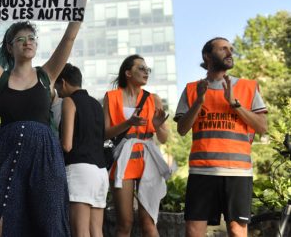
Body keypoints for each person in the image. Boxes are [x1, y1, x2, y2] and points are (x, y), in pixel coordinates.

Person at [0, 0, 94, 237]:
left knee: (46, 222)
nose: (27, 42)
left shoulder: (47, 75)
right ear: (9, 48)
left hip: (44, 155)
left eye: (31, 38)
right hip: (6, 153)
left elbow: (69, 37)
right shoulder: (0, 77)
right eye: (20, 39)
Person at [174, 37, 268, 237]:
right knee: (193, 231)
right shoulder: (192, 89)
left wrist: (235, 103)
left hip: (238, 172)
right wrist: (199, 101)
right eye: (223, 48)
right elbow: (182, 129)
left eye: (231, 49)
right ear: (207, 56)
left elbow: (262, 127)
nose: (229, 52)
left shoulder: (247, 87)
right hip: (202, 171)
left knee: (237, 230)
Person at [103, 54, 170, 237]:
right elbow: (106, 132)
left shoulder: (153, 98)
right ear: (128, 73)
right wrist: (128, 123)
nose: (146, 72)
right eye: (141, 68)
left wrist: (157, 126)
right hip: (123, 159)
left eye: (147, 69)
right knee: (125, 223)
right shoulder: (111, 97)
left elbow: (164, 138)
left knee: (148, 221)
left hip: (148, 159)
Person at [55, 63, 108, 237]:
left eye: (57, 86)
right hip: (100, 172)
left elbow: (67, 145)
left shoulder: (69, 101)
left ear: (63, 82)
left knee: (80, 232)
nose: (58, 92)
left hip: (79, 171)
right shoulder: (95, 104)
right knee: (96, 231)